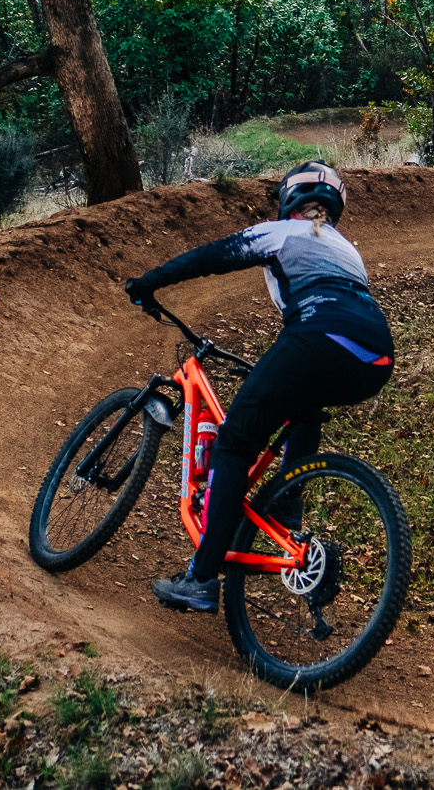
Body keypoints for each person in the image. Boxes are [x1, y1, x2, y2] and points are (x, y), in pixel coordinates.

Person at [123, 160, 393, 614]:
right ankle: (287, 513)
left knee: (234, 443)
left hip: (315, 335)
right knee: (304, 405)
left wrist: (150, 282)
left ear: (290, 199)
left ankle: (202, 578)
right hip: (376, 355)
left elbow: (212, 256)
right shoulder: (348, 249)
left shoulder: (284, 231)